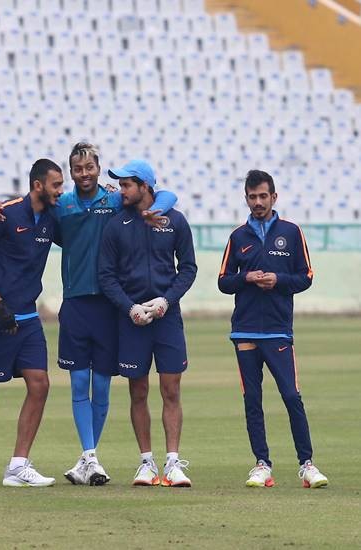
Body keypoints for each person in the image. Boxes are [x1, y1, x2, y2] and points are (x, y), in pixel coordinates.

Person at [0, 142, 178, 486]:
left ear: (99, 169)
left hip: (108, 305)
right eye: (77, 169)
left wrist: (156, 209)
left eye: (90, 167)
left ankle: (89, 458)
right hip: (75, 303)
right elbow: (27, 203)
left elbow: (165, 195)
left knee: (101, 387)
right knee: (78, 383)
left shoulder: (114, 200)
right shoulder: (62, 205)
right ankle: (90, 457)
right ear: (71, 171)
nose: (84, 174)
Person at [218, 170, 328, 488]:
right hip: (245, 331)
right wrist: (246, 277)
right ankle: (262, 464)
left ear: (274, 197)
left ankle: (307, 464)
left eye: (263, 196)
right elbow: (224, 281)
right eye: (252, 197)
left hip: (278, 330)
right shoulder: (238, 237)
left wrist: (278, 280)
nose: (258, 202)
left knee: (291, 396)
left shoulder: (291, 233)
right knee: (252, 400)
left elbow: (306, 276)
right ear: (246, 199)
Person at [0, 158, 64, 487]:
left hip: (28, 317)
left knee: (40, 384)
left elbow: (83, 224)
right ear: (37, 185)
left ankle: (18, 466)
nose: (60, 191)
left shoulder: (53, 217)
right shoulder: (4, 214)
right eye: (55, 185)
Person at [98, 159, 197, 488]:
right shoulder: (116, 225)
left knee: (171, 390)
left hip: (167, 318)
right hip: (132, 321)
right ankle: (146, 464)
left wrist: (166, 301)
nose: (122, 191)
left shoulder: (175, 221)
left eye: (127, 185)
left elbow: (188, 268)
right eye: (120, 185)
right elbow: (106, 276)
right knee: (137, 391)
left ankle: (173, 463)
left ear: (145, 186)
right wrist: (130, 308)